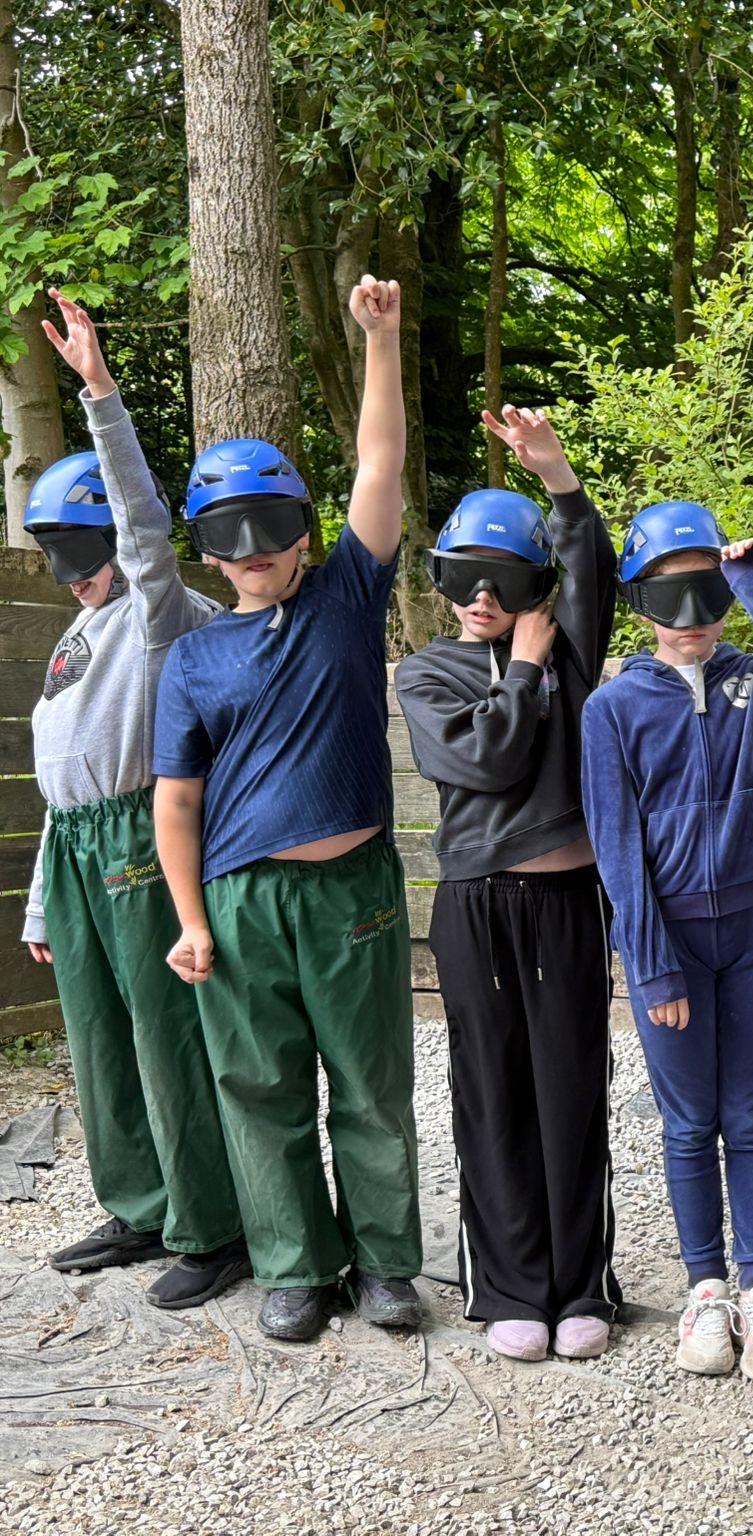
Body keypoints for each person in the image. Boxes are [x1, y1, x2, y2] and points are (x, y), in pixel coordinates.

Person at [153, 275, 423, 1344]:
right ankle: (295, 1266)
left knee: (370, 1082)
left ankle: (386, 1264)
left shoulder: (348, 597)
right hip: (240, 901)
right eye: (228, 534)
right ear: (207, 548)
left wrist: (380, 341)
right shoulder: (192, 659)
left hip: (352, 891)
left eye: (270, 525)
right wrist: (189, 918)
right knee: (258, 1085)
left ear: (304, 530)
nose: (251, 549)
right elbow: (177, 799)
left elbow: (380, 463)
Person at [23, 290, 244, 1308]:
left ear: (111, 539)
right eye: (53, 556)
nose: (68, 575)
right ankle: (140, 1204)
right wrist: (42, 900)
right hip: (75, 847)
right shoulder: (79, 633)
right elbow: (60, 775)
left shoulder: (160, 612)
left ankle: (210, 1222)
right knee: (101, 1038)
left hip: (136, 842)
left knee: (163, 1033)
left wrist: (101, 393)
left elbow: (147, 528)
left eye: (80, 551)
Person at [582, 503, 753, 1384]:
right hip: (673, 942)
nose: (689, 619)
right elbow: (617, 848)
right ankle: (706, 1289)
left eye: (707, 595)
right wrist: (650, 964)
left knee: (751, 1116)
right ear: (638, 603)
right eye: (668, 598)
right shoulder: (613, 708)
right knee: (689, 1122)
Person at [395, 408, 621, 1362]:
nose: (483, 597)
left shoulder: (570, 652)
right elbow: (487, 761)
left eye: (507, 581)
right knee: (491, 1089)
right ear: (441, 580)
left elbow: (594, 565)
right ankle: (510, 1286)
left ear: (538, 587)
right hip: (478, 907)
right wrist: (522, 672)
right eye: (464, 578)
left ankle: (582, 1286)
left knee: (571, 1086)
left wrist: (558, 476)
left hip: (569, 903)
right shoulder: (426, 674)